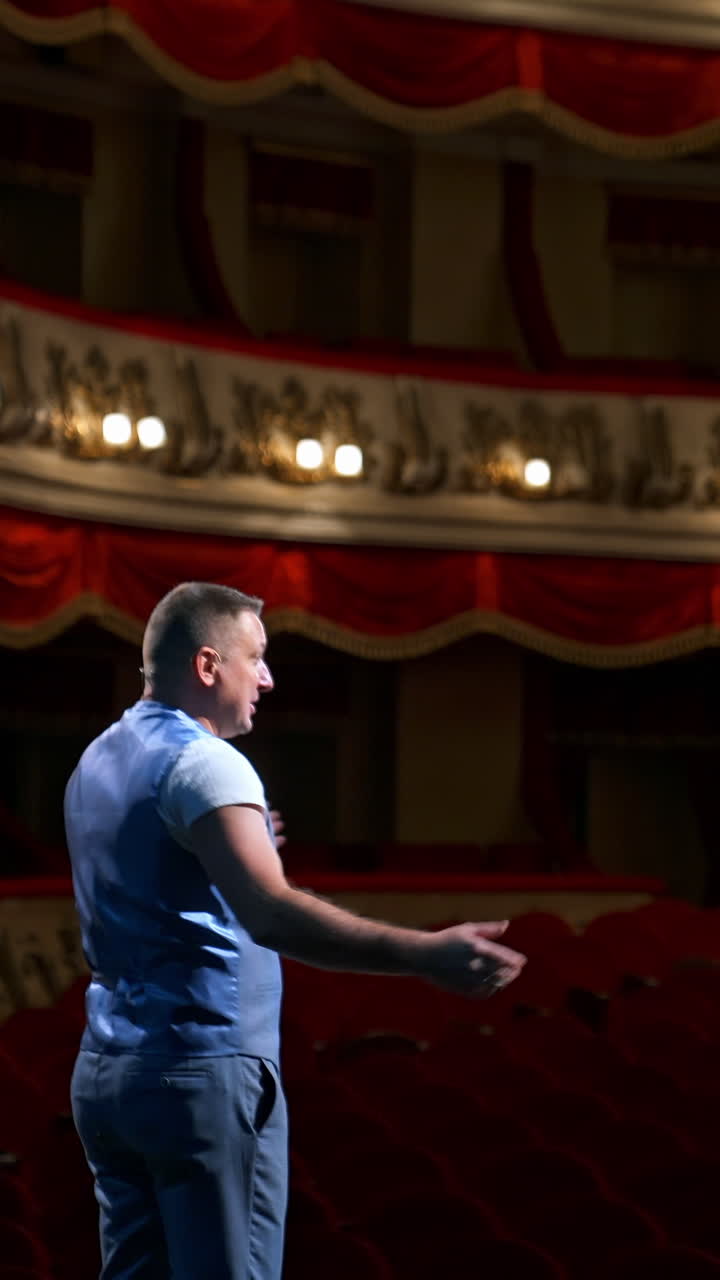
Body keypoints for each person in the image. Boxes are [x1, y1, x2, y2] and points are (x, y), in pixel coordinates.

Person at [64, 581, 527, 1280]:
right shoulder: (206, 762)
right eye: (257, 657)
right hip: (200, 1073)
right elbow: (271, 913)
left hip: (110, 1073)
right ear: (208, 665)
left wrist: (233, 843)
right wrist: (424, 953)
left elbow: (148, 869)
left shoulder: (98, 758)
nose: (269, 677)